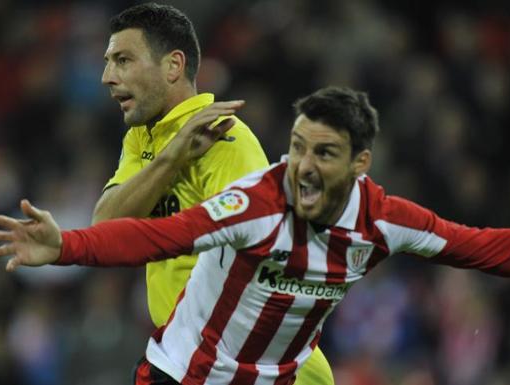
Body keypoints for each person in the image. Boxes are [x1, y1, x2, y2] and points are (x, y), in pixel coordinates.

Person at [0, 86, 510, 385]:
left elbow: (486, 248)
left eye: (323, 153)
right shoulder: (257, 203)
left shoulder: (383, 221)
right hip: (182, 377)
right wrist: (67, 248)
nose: (302, 165)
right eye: (299, 146)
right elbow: (161, 238)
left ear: (360, 164)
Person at [91, 2, 333, 384]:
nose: (107, 76)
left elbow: (271, 256)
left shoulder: (225, 141)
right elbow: (104, 230)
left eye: (123, 60)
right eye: (108, 61)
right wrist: (172, 158)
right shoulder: (143, 140)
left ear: (173, 66)